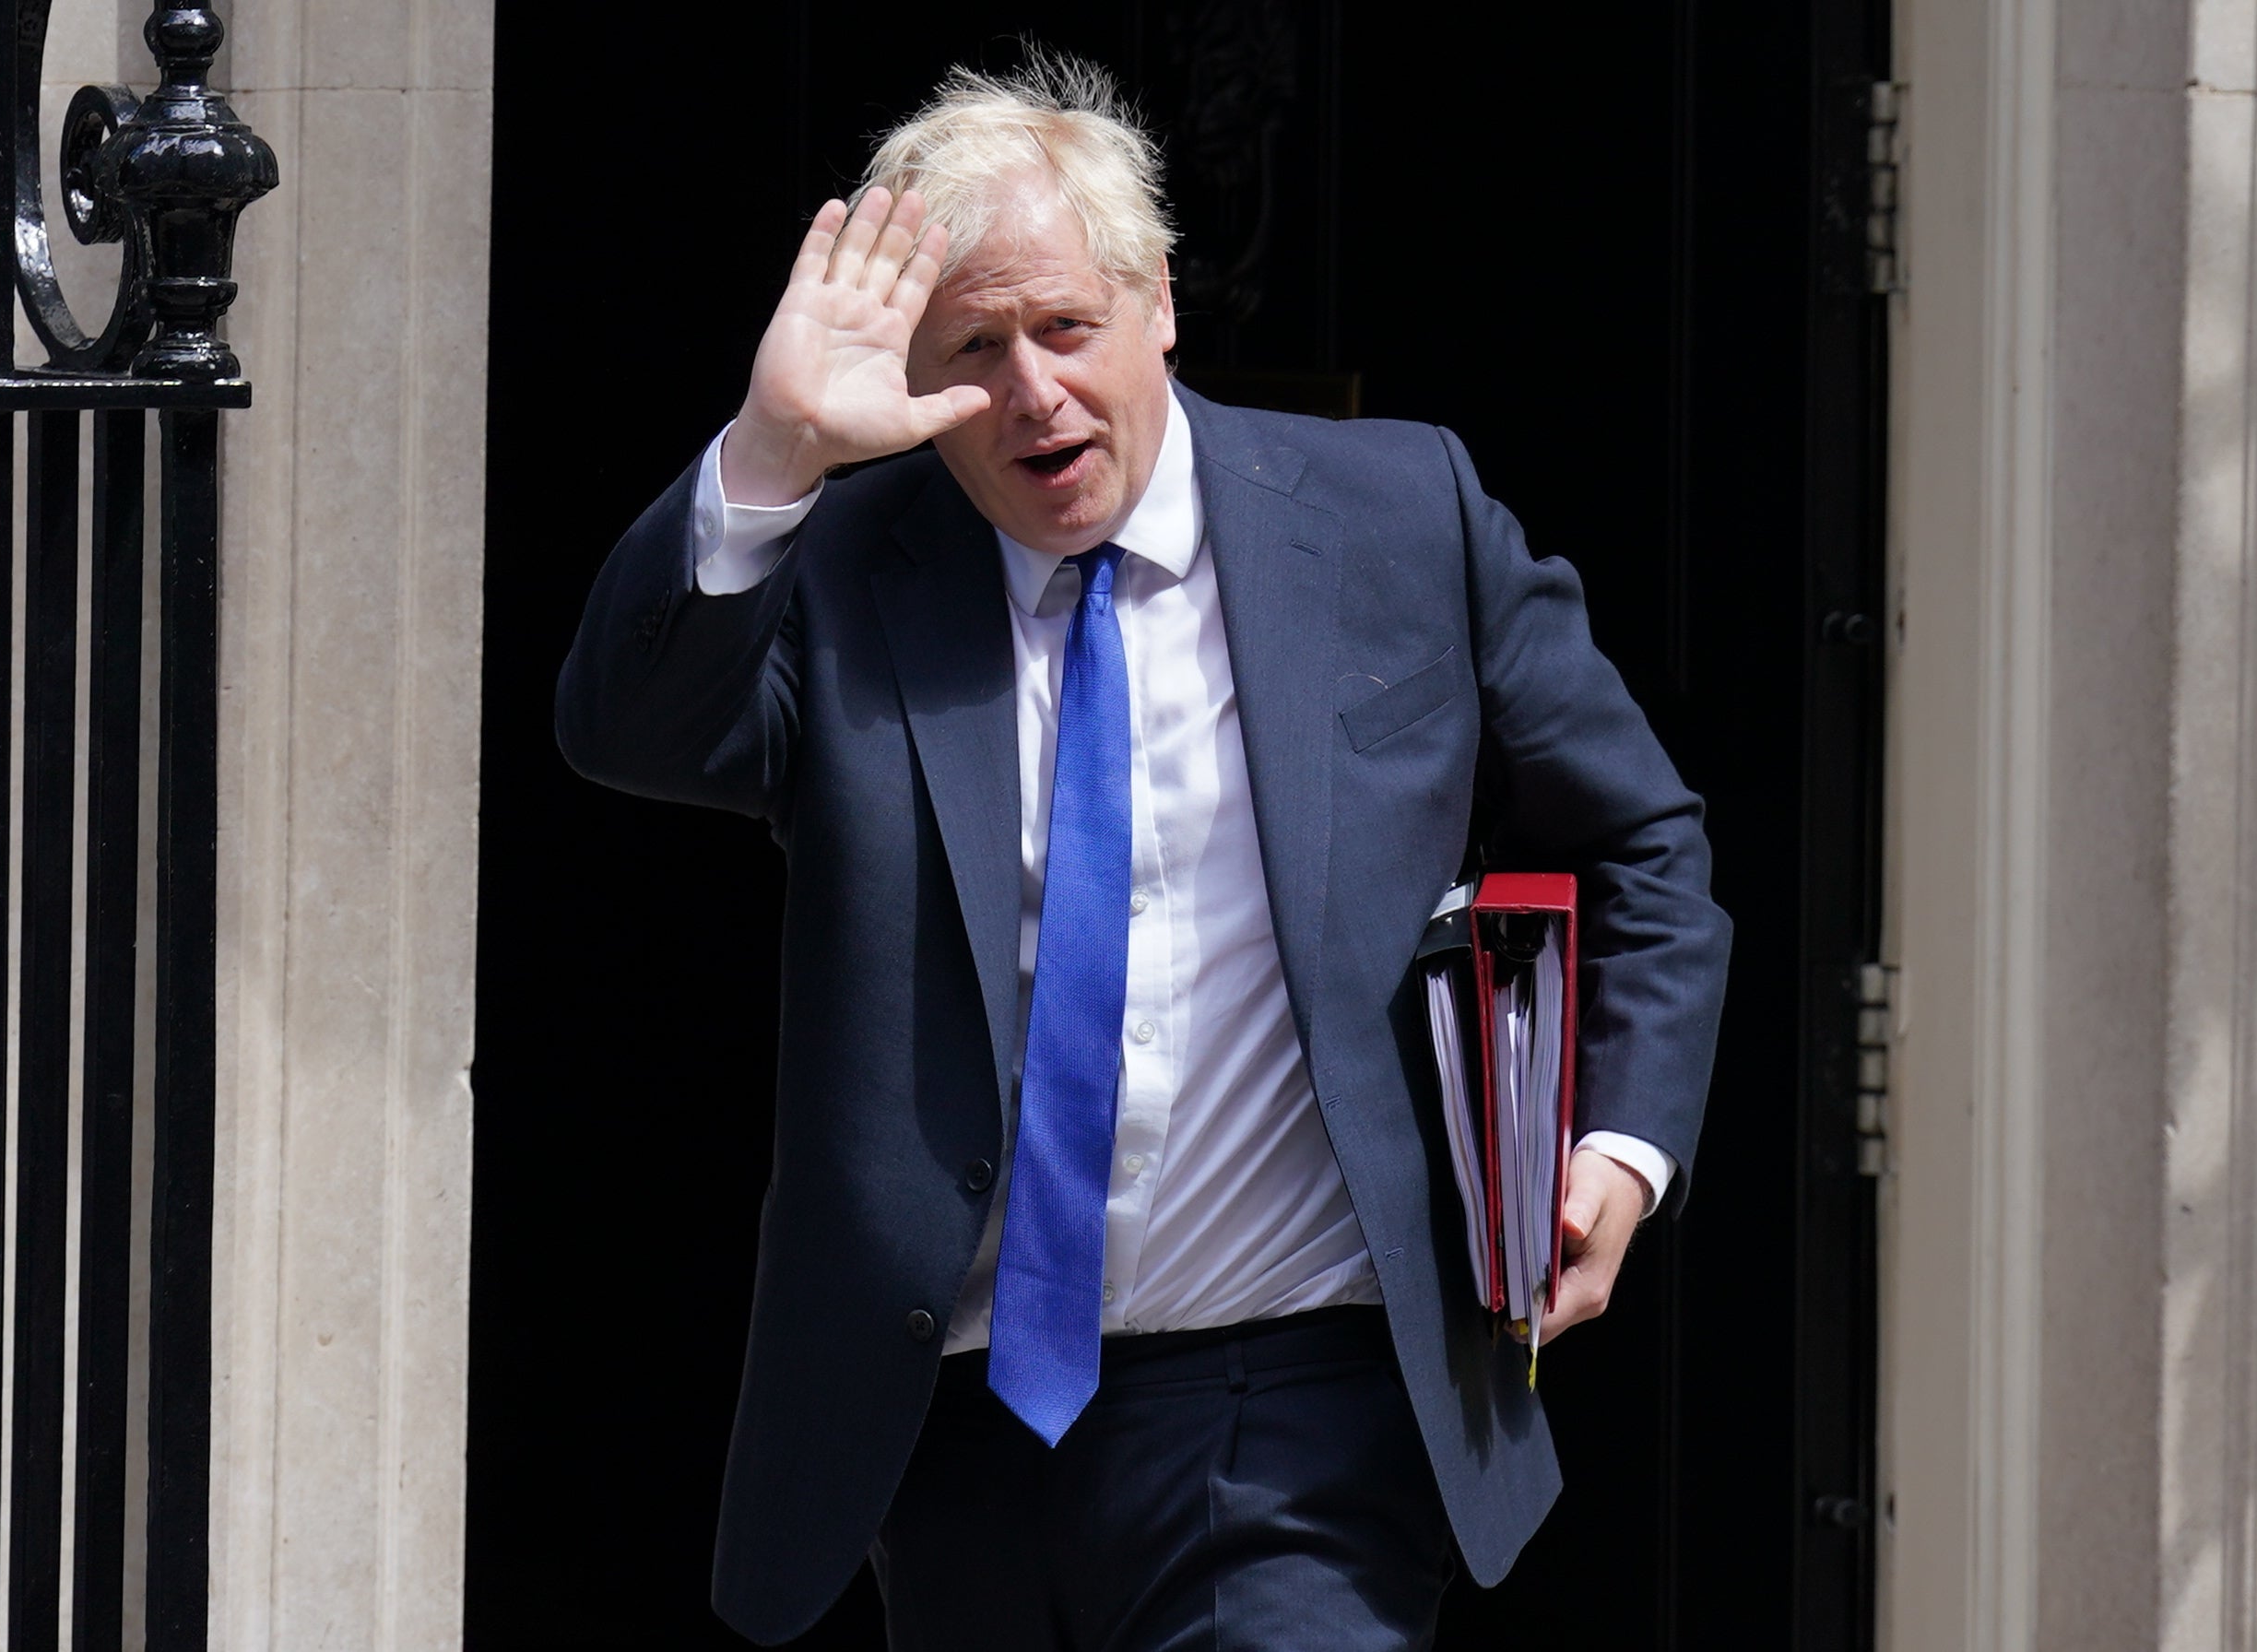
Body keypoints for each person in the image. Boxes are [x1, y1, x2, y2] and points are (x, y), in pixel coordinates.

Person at [558, 53, 1730, 1652]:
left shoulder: (1401, 516)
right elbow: (622, 729)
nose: (1033, 390)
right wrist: (771, 451)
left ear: (1158, 301)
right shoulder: (846, 574)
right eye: (973, 350)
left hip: (1304, 1404)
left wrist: (1621, 1155)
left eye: (1063, 328)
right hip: (959, 1425)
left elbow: (1645, 844)